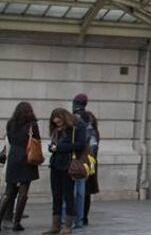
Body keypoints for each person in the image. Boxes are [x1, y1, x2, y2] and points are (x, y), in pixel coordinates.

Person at [45, 108, 87, 235]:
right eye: (54, 119)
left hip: (68, 165)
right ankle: (55, 225)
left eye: (58, 118)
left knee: (68, 195)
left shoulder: (77, 127)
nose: (56, 121)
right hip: (55, 165)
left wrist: (59, 148)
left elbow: (80, 145)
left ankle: (68, 225)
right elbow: (53, 146)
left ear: (65, 117)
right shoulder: (56, 129)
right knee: (56, 195)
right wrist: (52, 148)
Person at [0, 102, 41, 232]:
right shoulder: (32, 125)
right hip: (26, 158)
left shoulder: (10, 123)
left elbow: (10, 140)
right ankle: (17, 223)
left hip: (13, 158)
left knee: (8, 192)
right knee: (23, 193)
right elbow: (37, 140)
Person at [69, 95, 98, 230]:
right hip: (90, 159)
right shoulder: (91, 118)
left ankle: (75, 217)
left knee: (75, 189)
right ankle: (83, 217)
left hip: (78, 158)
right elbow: (95, 141)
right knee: (86, 191)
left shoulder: (75, 119)